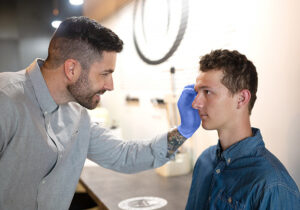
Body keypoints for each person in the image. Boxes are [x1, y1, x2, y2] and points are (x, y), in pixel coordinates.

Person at [0, 16, 201, 210]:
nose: (110, 85)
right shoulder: (6, 100)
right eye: (105, 74)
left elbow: (125, 156)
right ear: (71, 69)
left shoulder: (77, 117)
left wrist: (183, 131)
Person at [185, 49, 300, 209]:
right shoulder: (205, 161)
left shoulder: (272, 186)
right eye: (198, 92)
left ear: (241, 99)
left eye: (208, 92)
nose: (195, 103)